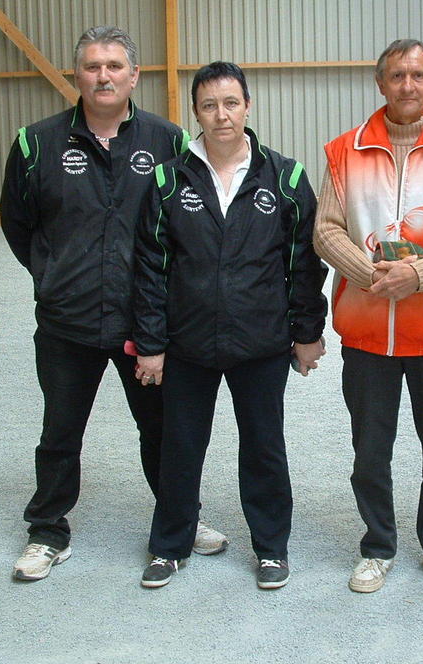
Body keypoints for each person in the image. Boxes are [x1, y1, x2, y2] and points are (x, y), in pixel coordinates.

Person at [0, 26, 227, 581]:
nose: (103, 76)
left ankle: (181, 517)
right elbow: (17, 223)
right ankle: (48, 530)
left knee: (164, 430)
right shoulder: (36, 143)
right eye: (92, 66)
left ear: (134, 76)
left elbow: (186, 223)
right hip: (66, 322)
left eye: (114, 66)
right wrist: (51, 274)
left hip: (145, 325)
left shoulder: (169, 140)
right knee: (60, 431)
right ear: (76, 74)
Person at [132, 61, 327, 590]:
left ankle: (271, 548)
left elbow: (304, 264)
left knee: (264, 446)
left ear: (248, 105)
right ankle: (170, 544)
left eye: (231, 103)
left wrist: (308, 332)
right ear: (195, 112)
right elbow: (150, 267)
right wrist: (150, 344)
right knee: (180, 446)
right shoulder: (168, 178)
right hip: (187, 345)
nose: (222, 115)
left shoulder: (284, 177)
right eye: (209, 105)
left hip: (261, 345)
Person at [314, 39, 423, 593]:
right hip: (368, 334)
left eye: (418, 75)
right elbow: (326, 228)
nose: (407, 85)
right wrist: (373, 275)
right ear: (381, 83)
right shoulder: (345, 153)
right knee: (369, 448)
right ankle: (377, 545)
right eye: (396, 76)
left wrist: (419, 275)